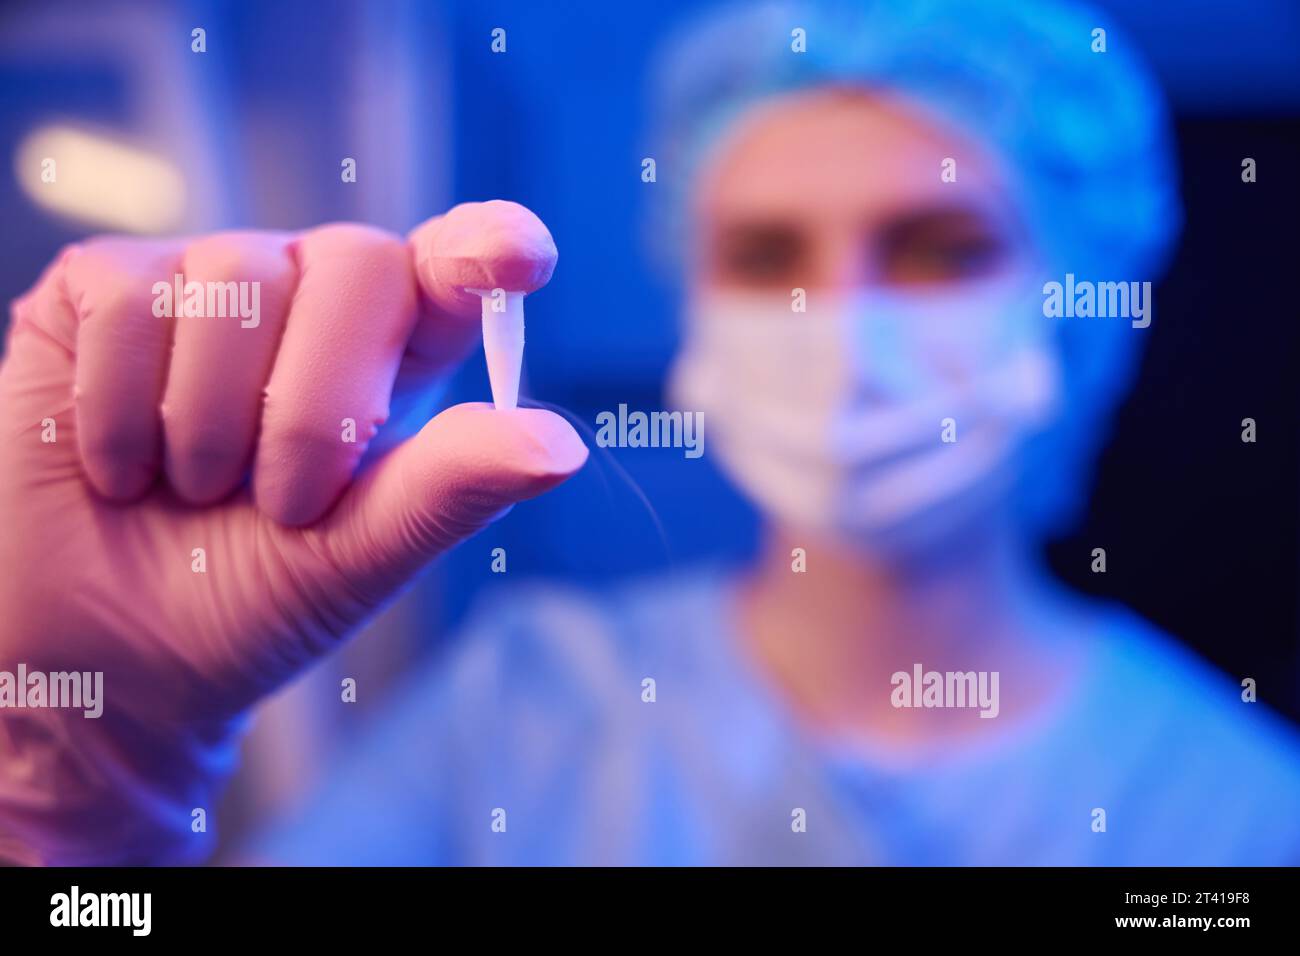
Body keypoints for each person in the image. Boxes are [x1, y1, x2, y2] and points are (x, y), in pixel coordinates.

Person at [2, 0, 1298, 866]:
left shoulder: (1238, 810)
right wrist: (84, 799)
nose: (839, 322)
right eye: (766, 254)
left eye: (939, 246)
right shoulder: (526, 707)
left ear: (1075, 311)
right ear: (692, 305)